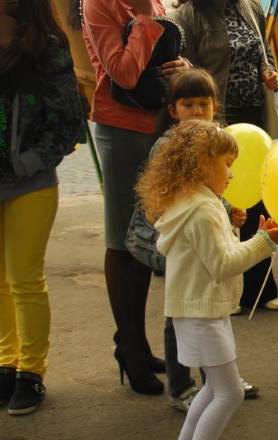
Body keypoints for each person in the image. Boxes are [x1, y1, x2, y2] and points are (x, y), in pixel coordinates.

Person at [137, 120, 278, 440]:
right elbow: (222, 265)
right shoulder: (203, 209)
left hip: (197, 309)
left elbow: (215, 254)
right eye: (227, 164)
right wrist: (264, 242)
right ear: (203, 163)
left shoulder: (192, 202)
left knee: (213, 388)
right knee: (230, 393)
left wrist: (249, 234)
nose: (232, 174)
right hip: (202, 312)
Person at [128, 69, 260, 410]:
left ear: (216, 105)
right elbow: (175, 196)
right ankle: (181, 386)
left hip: (207, 239)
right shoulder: (169, 145)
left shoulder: (219, 140)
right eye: (188, 104)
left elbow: (215, 189)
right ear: (173, 110)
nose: (198, 111)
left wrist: (230, 211)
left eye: (204, 103)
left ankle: (217, 380)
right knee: (182, 316)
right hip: (183, 249)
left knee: (212, 314)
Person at [82, 0, 190, 395]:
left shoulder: (153, 2)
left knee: (146, 237)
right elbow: (124, 73)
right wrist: (145, 16)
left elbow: (167, 54)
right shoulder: (97, 4)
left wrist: (182, 67)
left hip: (157, 124)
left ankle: (138, 344)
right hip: (120, 129)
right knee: (121, 240)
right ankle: (128, 347)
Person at [171, 0, 278, 312]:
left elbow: (263, 55)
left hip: (255, 120)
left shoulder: (250, 7)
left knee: (256, 200)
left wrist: (268, 73)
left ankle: (261, 287)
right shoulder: (188, 16)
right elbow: (187, 79)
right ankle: (229, 290)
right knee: (224, 204)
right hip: (217, 121)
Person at [0, 0, 81, 415]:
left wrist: (26, 161)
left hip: (29, 183)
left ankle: (30, 370)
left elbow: (69, 123)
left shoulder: (46, 47)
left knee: (24, 278)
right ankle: (5, 362)